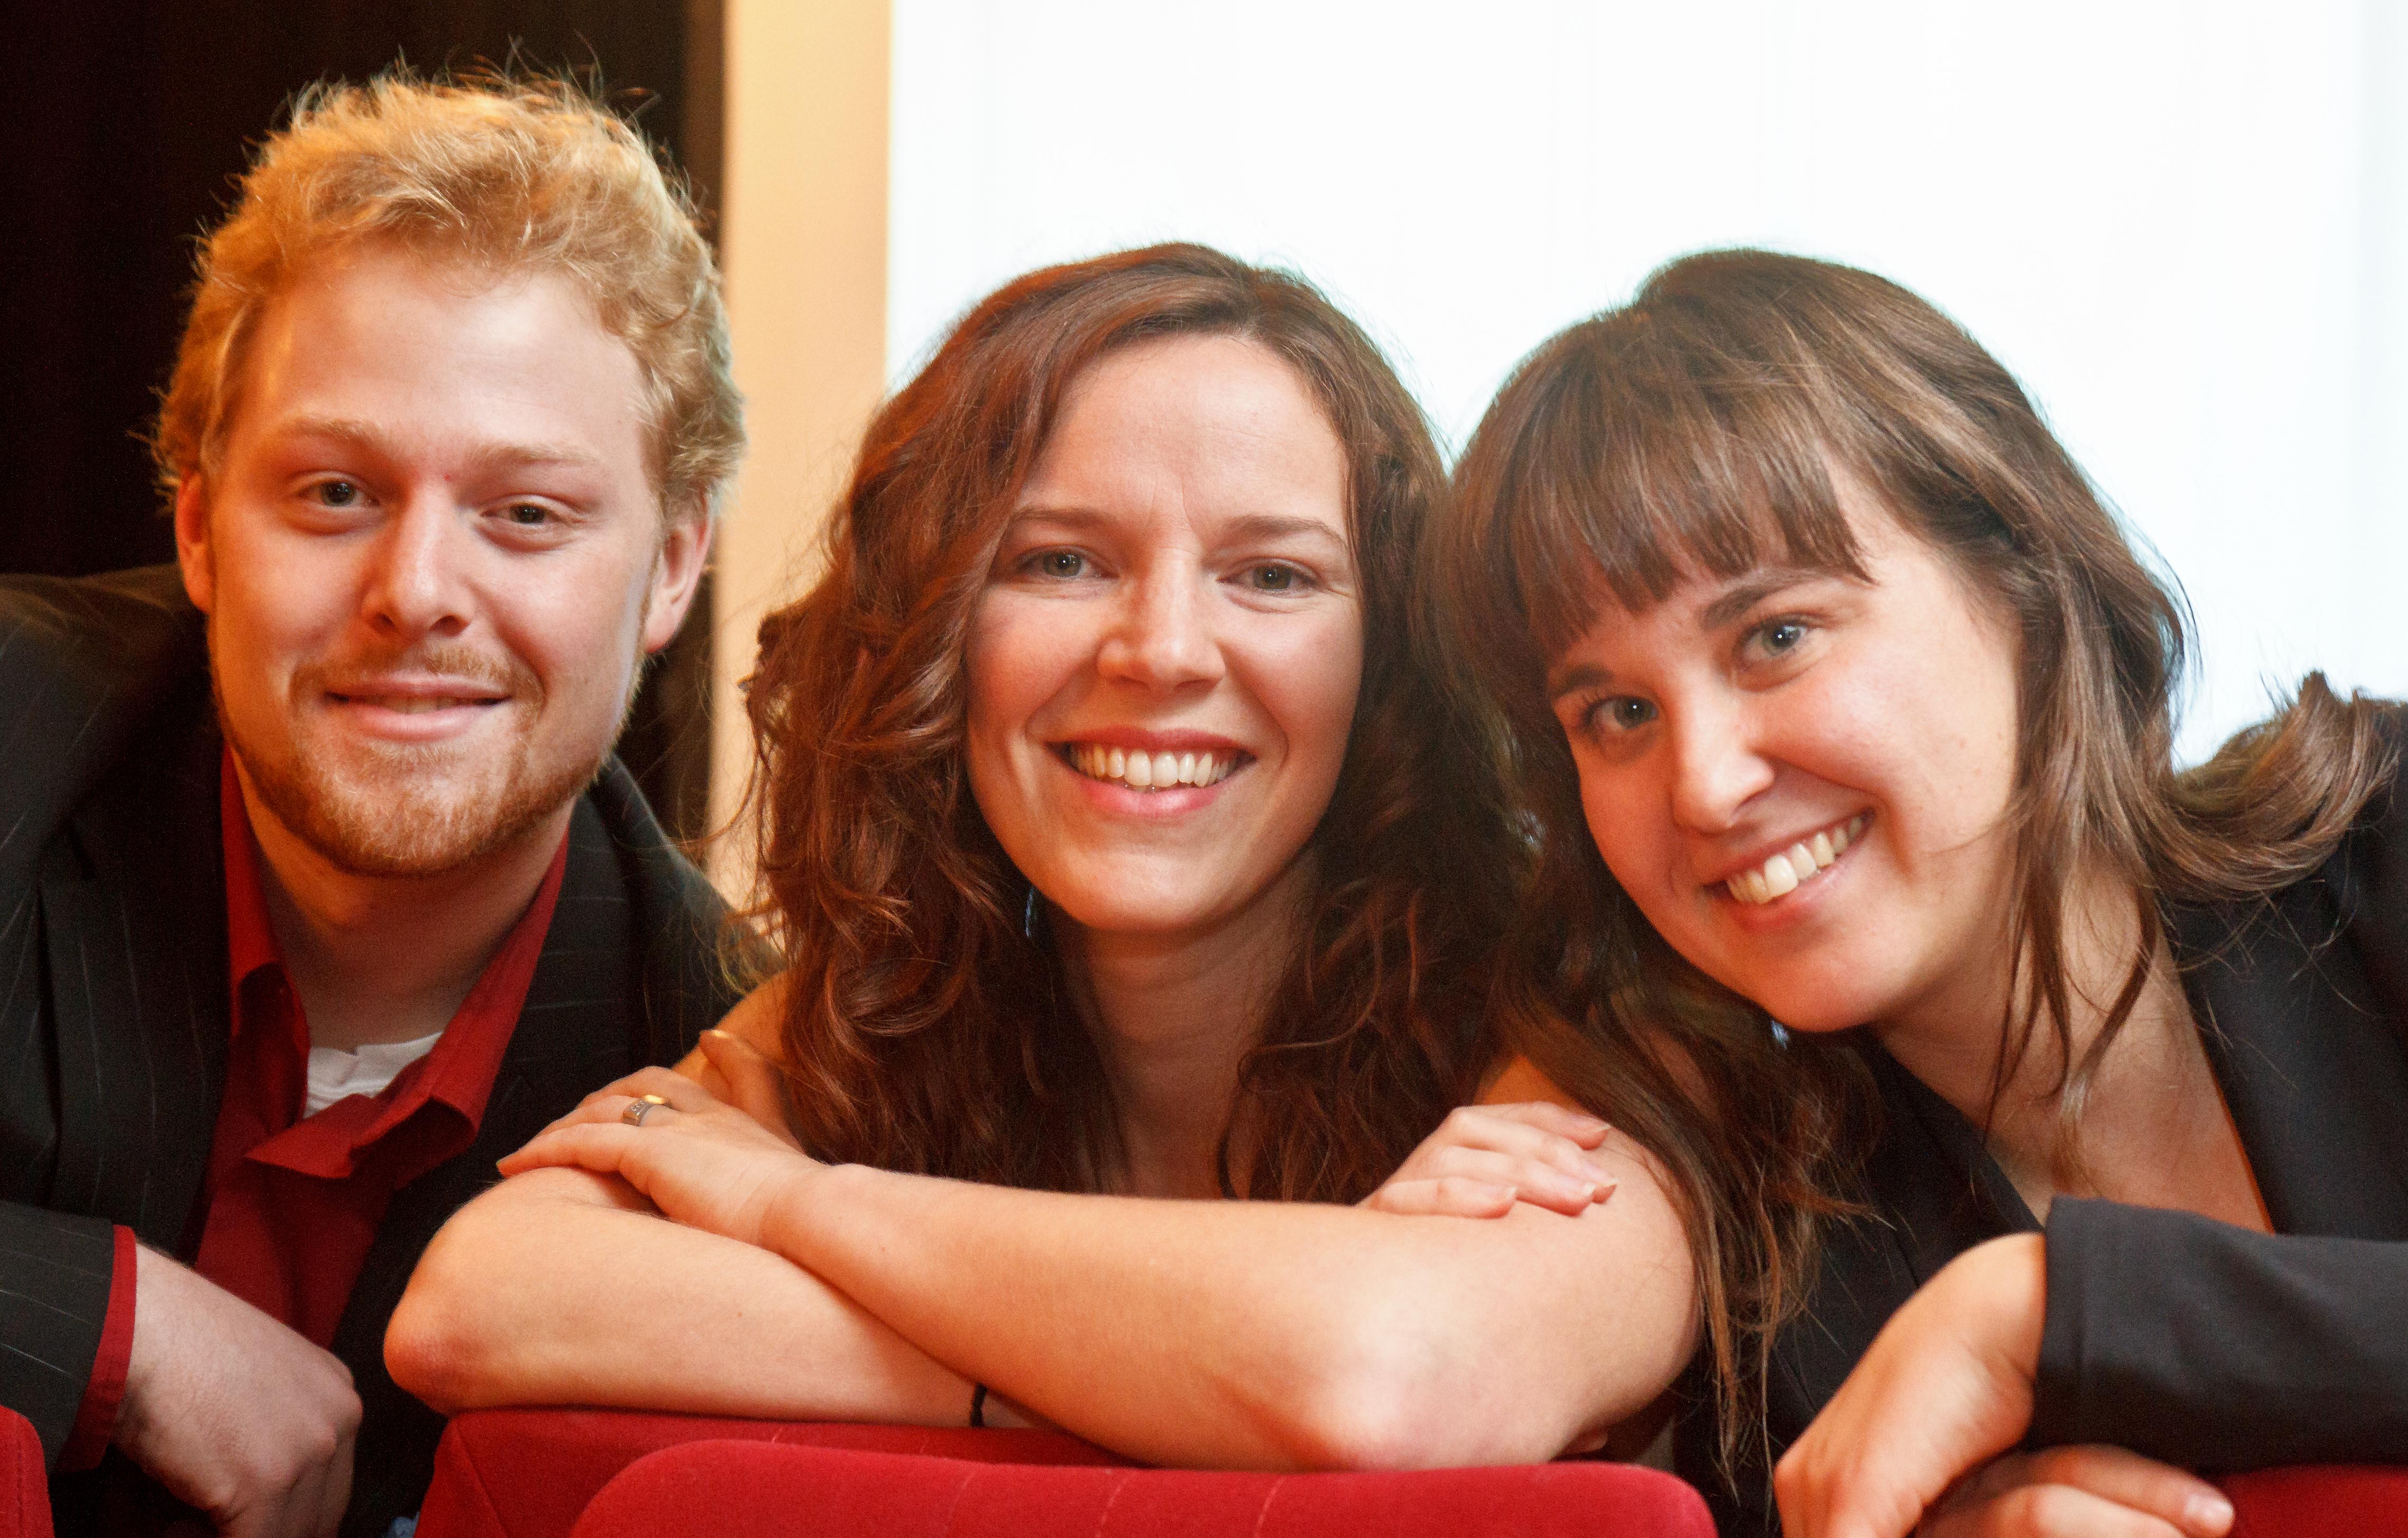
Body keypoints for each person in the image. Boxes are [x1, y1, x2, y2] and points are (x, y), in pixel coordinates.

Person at [387, 244, 1720, 1476]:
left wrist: (802, 1208)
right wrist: (1124, 1376)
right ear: (933, 634)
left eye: (1271, 576)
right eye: (1063, 562)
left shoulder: (1590, 1028)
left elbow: (1388, 1379)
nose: (1162, 651)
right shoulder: (890, 1005)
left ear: (1389, 665)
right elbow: (477, 1300)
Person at [1433, 247, 2408, 1538]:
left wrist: (2059, 1315)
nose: (1701, 783)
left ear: (2022, 580)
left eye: (1774, 636)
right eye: (1615, 713)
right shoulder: (1780, 1302)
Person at [0, 72, 745, 1538]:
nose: (416, 591)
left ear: (674, 564)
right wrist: (107, 1320)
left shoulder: (729, 1059)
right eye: (336, 492)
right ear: (200, 531)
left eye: (525, 513)